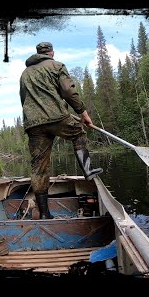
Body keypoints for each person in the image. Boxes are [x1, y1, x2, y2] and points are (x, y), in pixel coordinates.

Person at [19, 41, 103, 219]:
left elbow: (24, 99)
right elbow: (68, 91)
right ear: (52, 53)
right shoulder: (56, 66)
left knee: (39, 167)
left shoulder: (24, 74)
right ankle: (87, 170)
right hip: (56, 117)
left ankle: (44, 214)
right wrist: (82, 112)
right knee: (78, 132)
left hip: (33, 124)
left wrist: (33, 119)